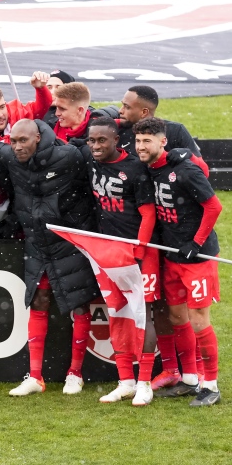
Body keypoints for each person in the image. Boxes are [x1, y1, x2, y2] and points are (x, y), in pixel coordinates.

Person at [0, 119, 100, 397]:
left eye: (23, 141)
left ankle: (75, 373)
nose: (17, 146)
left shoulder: (69, 157)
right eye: (13, 141)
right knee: (38, 301)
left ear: (38, 138)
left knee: (78, 305)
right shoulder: (13, 159)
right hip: (38, 244)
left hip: (69, 244)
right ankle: (35, 377)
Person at [136, 118, 223, 407]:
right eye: (138, 141)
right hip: (172, 255)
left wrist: (196, 243)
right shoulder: (150, 169)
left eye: (147, 141)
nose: (140, 146)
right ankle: (189, 379)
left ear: (163, 142)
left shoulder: (184, 170)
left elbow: (214, 206)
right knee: (177, 318)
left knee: (199, 320)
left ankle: (211, 385)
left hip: (196, 258)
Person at [82, 117, 158, 406]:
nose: (96, 145)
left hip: (138, 254)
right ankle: (125, 381)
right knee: (117, 313)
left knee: (143, 314)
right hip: (108, 253)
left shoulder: (136, 170)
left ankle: (145, 383)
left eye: (102, 140)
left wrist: (138, 251)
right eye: (92, 140)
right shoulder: (90, 161)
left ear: (116, 140)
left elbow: (148, 213)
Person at [118, 85, 206, 170]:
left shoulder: (175, 131)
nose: (120, 111)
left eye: (127, 107)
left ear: (144, 112)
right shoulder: (116, 129)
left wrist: (189, 156)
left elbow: (203, 170)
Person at [0, 72, 53, 143]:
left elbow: (42, 107)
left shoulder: (17, 112)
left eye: (2, 107)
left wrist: (41, 89)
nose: (0, 114)